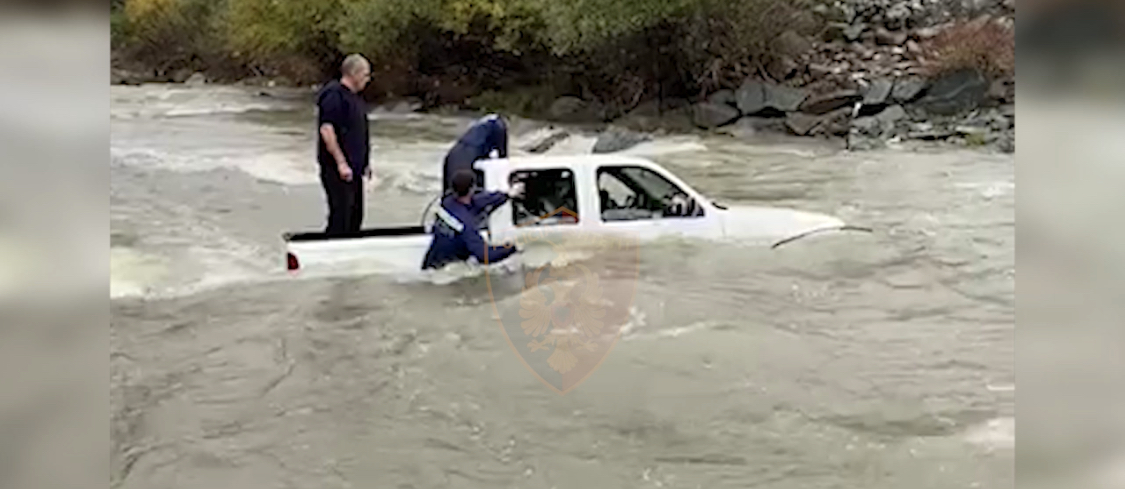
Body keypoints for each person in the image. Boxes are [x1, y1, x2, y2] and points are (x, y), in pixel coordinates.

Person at [422, 170, 525, 271]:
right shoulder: (466, 226)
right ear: (472, 189)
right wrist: (512, 248)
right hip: (443, 274)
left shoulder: (447, 203)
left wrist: (506, 195)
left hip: (430, 265)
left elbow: (478, 201)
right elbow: (483, 256)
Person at [316, 54, 373, 235]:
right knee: (341, 216)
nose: (367, 79)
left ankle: (350, 253)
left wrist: (366, 163)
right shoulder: (334, 94)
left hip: (355, 169)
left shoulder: (356, 98)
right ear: (354, 73)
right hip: (337, 169)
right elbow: (327, 130)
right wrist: (341, 163)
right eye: (365, 75)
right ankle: (329, 251)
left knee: (355, 216)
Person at [442, 114, 508, 194]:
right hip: (469, 157)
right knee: (473, 193)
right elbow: (502, 155)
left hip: (453, 154)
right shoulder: (499, 125)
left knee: (450, 192)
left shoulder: (477, 126)